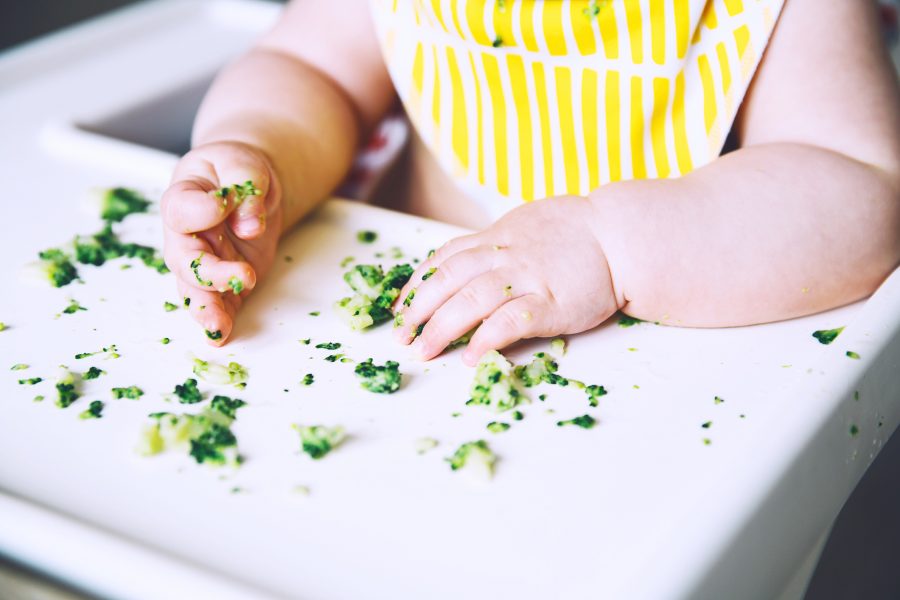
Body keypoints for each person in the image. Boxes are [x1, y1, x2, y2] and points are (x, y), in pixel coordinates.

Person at [161, 0, 900, 366]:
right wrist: (258, 156)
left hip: (653, 360)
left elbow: (862, 192)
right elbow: (311, 70)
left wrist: (610, 244)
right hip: (399, 327)